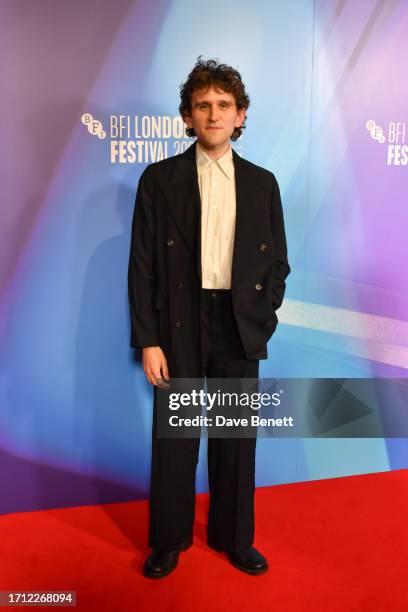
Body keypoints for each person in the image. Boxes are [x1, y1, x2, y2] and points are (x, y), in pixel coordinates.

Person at [128, 56, 290, 578]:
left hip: (238, 322)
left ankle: (234, 538)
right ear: (188, 117)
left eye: (224, 105)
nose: (214, 114)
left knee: (236, 439)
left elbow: (278, 262)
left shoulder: (263, 183)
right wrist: (148, 339)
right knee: (175, 437)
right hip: (179, 317)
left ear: (240, 115)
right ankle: (169, 540)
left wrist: (261, 316)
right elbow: (143, 267)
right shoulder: (159, 180)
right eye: (204, 105)